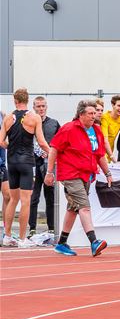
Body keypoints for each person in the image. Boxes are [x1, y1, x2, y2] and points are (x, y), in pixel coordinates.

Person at [44, 99, 112, 257]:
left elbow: (100, 154)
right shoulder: (69, 128)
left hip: (87, 175)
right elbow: (54, 148)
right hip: (70, 174)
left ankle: (61, 243)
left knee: (73, 209)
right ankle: (94, 242)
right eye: (90, 113)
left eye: (95, 113)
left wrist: (108, 173)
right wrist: (49, 171)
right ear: (81, 114)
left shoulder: (96, 130)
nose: (93, 116)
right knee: (84, 206)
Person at [0, 88, 51, 247]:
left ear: (15, 101)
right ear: (27, 101)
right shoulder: (34, 117)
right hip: (27, 162)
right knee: (26, 201)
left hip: (12, 162)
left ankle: (7, 237)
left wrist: (11, 147)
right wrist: (52, 153)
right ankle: (22, 239)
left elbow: (1, 141)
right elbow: (41, 142)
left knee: (12, 200)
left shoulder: (8, 117)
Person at [28, 96, 60, 235]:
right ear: (34, 107)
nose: (41, 109)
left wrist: (52, 154)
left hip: (49, 166)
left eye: (43, 106)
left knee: (50, 197)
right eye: (38, 106)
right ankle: (32, 228)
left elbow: (60, 142)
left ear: (46, 107)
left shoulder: (54, 123)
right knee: (33, 198)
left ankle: (52, 228)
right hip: (33, 165)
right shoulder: (28, 122)